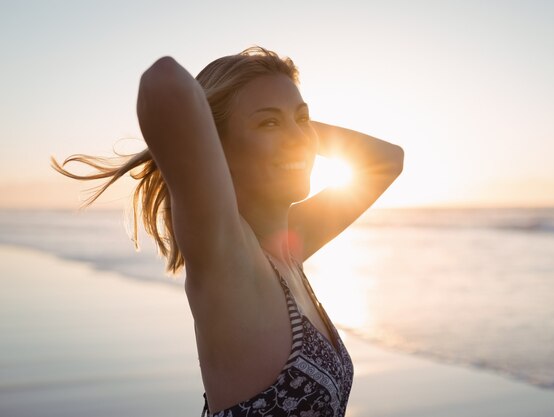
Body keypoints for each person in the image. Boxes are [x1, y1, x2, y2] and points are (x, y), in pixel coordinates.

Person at [52, 46, 403, 416]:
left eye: (303, 119)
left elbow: (387, 160)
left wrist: (292, 126)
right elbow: (164, 80)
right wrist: (221, 132)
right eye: (268, 124)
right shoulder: (230, 259)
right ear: (217, 147)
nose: (299, 137)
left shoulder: (286, 250)